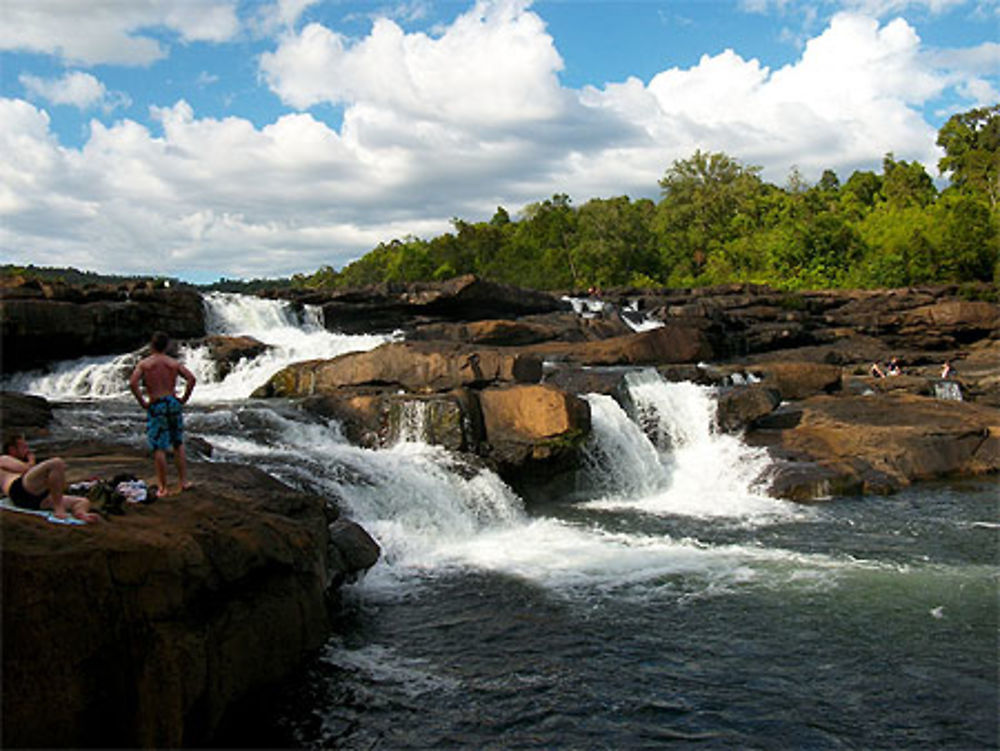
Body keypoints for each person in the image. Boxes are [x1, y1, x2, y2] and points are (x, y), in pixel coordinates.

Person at [129, 331, 197, 498]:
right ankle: (183, 482)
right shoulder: (173, 363)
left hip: (157, 403)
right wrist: (183, 399)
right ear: (166, 346)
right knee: (177, 443)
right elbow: (191, 379)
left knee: (159, 447)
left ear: (151, 346)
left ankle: (163, 487)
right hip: (172, 402)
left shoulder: (145, 364)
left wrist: (142, 402)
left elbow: (132, 383)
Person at [0, 434, 99, 522]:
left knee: (82, 501)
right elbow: (26, 469)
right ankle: (59, 508)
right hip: (18, 488)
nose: (28, 451)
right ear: (12, 450)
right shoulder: (4, 458)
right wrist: (31, 460)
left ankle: (80, 513)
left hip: (36, 499)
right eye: (24, 447)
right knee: (56, 462)